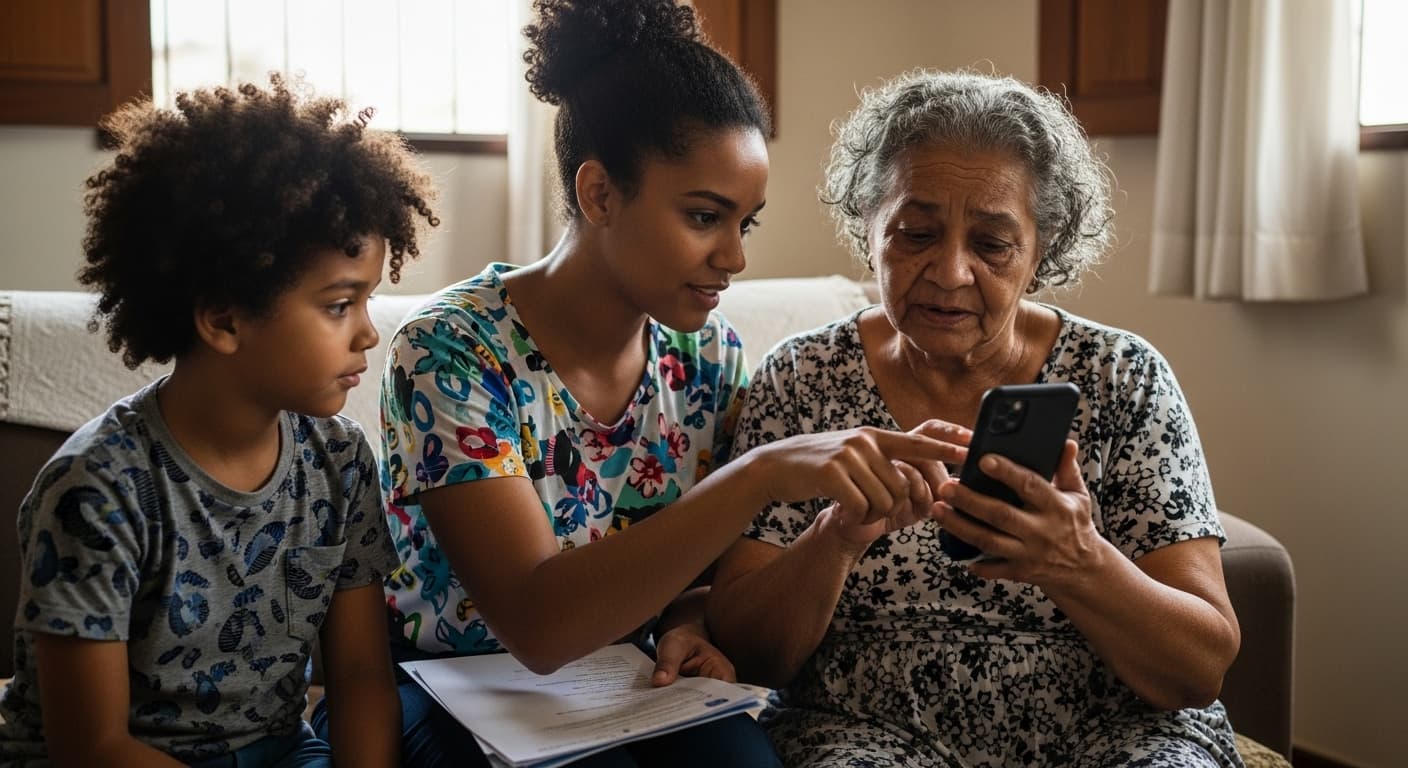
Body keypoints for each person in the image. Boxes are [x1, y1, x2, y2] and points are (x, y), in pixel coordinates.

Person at [338, 2, 955, 766]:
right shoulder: (450, 350)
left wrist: (689, 626)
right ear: (599, 194)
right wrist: (759, 473)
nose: (734, 256)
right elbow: (539, 625)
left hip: (624, 682)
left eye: (746, 224)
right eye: (704, 216)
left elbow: (691, 581)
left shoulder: (709, 360)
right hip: (459, 684)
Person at [705, 69, 1246, 768]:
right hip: (869, 727)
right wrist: (834, 540)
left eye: (991, 244)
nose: (951, 271)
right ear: (866, 226)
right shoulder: (802, 379)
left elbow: (1199, 670)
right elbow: (750, 654)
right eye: (917, 232)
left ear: (1041, 249)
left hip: (1114, 731)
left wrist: (1080, 565)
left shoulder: (1124, 378)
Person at [0, 74, 439, 767]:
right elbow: (93, 746)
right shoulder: (96, 489)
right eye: (338, 305)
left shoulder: (340, 462)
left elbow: (358, 678)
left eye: (368, 302)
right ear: (224, 319)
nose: (367, 335)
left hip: (280, 751)